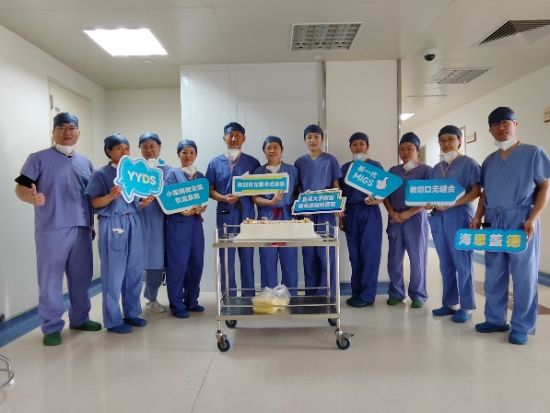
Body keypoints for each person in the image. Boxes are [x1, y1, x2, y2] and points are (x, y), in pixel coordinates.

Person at [15, 112, 101, 346]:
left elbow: (90, 197)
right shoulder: (38, 158)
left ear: (78, 133)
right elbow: (21, 188)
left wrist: (91, 225)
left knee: (81, 278)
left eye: (71, 128)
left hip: (82, 228)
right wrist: (31, 198)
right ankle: (51, 326)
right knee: (50, 280)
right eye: (61, 128)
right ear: (53, 132)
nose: (67, 132)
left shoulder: (85, 162)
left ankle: (80, 319)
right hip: (52, 228)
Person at [471, 107, 550, 345]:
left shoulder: (533, 153)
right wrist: (477, 216)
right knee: (494, 272)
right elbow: (485, 194)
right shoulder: (489, 161)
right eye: (495, 124)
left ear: (516, 124)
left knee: (524, 275)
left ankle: (521, 326)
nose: (501, 127)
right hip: (494, 220)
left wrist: (533, 218)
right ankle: (495, 319)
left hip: (521, 219)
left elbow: (544, 187)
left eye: (506, 122)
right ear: (490, 130)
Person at [85, 134, 154, 334]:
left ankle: (132, 313)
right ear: (109, 151)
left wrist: (143, 203)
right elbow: (93, 202)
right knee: (114, 274)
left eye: (127, 148)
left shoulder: (133, 173)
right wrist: (110, 196)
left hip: (133, 221)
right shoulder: (101, 174)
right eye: (118, 148)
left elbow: (135, 201)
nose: (124, 152)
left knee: (134, 271)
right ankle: (113, 320)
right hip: (112, 223)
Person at [428, 125, 481, 323]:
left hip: (460, 217)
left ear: (459, 140)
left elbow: (476, 192)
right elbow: (430, 192)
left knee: (463, 262)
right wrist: (428, 203)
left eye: (451, 139)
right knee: (446, 263)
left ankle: (467, 306)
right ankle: (450, 303)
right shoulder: (436, 168)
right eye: (442, 140)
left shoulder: (469, 164)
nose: (446, 144)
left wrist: (453, 203)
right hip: (438, 218)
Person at [206, 122, 260, 297]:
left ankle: (248, 296)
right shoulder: (215, 163)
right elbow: (209, 190)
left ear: (244, 138)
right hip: (226, 215)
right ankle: (228, 297)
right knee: (226, 258)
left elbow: (259, 188)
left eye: (238, 135)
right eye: (231, 135)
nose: (234, 138)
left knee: (247, 257)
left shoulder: (252, 162)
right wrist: (223, 198)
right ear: (224, 138)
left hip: (247, 215)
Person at [383, 132, 432, 308]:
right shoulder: (393, 171)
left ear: (417, 150)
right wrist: (392, 212)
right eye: (402, 149)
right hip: (395, 218)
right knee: (394, 259)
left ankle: (418, 294)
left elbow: (428, 196)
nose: (405, 152)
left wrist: (409, 213)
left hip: (415, 219)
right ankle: (396, 293)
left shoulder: (426, 171)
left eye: (409, 149)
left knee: (417, 258)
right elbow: (384, 194)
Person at [294, 124, 341, 297]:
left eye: (316, 137)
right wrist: (301, 208)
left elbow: (336, 185)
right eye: (309, 137)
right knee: (309, 253)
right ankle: (311, 293)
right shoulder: (300, 162)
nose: (313, 140)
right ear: (305, 140)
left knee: (326, 253)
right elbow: (297, 188)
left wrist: (338, 206)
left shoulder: (330, 160)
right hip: (307, 213)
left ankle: (327, 293)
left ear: (322, 139)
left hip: (326, 211)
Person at [340, 132, 383, 308]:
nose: (358, 147)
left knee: (370, 254)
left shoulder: (375, 166)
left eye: (361, 144)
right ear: (350, 147)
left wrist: (378, 199)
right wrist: (340, 214)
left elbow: (384, 190)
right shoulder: (345, 168)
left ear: (367, 146)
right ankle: (356, 292)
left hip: (369, 211)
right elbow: (341, 194)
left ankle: (367, 295)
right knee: (355, 255)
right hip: (350, 212)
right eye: (354, 144)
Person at [164, 139, 207, 318]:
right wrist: (184, 211)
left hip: (195, 225)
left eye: (191, 152)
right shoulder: (172, 175)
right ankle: (177, 305)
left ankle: (192, 300)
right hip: (178, 224)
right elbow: (167, 198)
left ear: (196, 154)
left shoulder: (200, 176)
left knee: (196, 263)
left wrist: (202, 208)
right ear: (178, 154)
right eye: (184, 152)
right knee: (178, 265)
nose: (188, 155)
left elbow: (203, 200)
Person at [252, 136, 299, 295]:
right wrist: (271, 202)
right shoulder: (258, 172)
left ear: (281, 149)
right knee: (267, 259)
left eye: (275, 147)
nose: (272, 151)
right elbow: (254, 198)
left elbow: (297, 194)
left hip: (287, 217)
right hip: (266, 217)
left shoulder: (292, 171)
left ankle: (289, 296)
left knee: (289, 259)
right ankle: (269, 298)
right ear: (264, 151)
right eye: (269, 148)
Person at [138, 132, 170, 313]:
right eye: (144, 147)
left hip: (162, 223)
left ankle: (152, 298)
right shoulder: (134, 172)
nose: (149, 150)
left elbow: (176, 197)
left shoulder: (169, 171)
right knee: (136, 262)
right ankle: (132, 302)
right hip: (139, 221)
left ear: (160, 147)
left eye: (152, 146)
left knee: (157, 262)